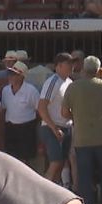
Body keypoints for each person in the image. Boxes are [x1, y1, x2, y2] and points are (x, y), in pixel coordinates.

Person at [63, 56, 102, 204]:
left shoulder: (73, 87)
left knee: (85, 176)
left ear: (83, 69)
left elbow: (64, 113)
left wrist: (77, 116)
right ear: (99, 70)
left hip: (82, 138)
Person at [37, 53, 74, 184]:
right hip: (51, 126)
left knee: (62, 163)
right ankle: (44, 189)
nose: (71, 67)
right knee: (56, 161)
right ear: (58, 66)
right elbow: (41, 107)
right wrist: (54, 128)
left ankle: (56, 191)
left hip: (66, 126)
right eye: (68, 64)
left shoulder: (70, 82)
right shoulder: (52, 81)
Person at [1, 61, 40, 164]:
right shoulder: (5, 90)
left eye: (14, 74)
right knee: (10, 158)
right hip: (10, 128)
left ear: (22, 76)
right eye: (10, 74)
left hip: (26, 129)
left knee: (25, 160)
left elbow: (39, 111)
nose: (11, 76)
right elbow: (4, 109)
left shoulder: (32, 91)